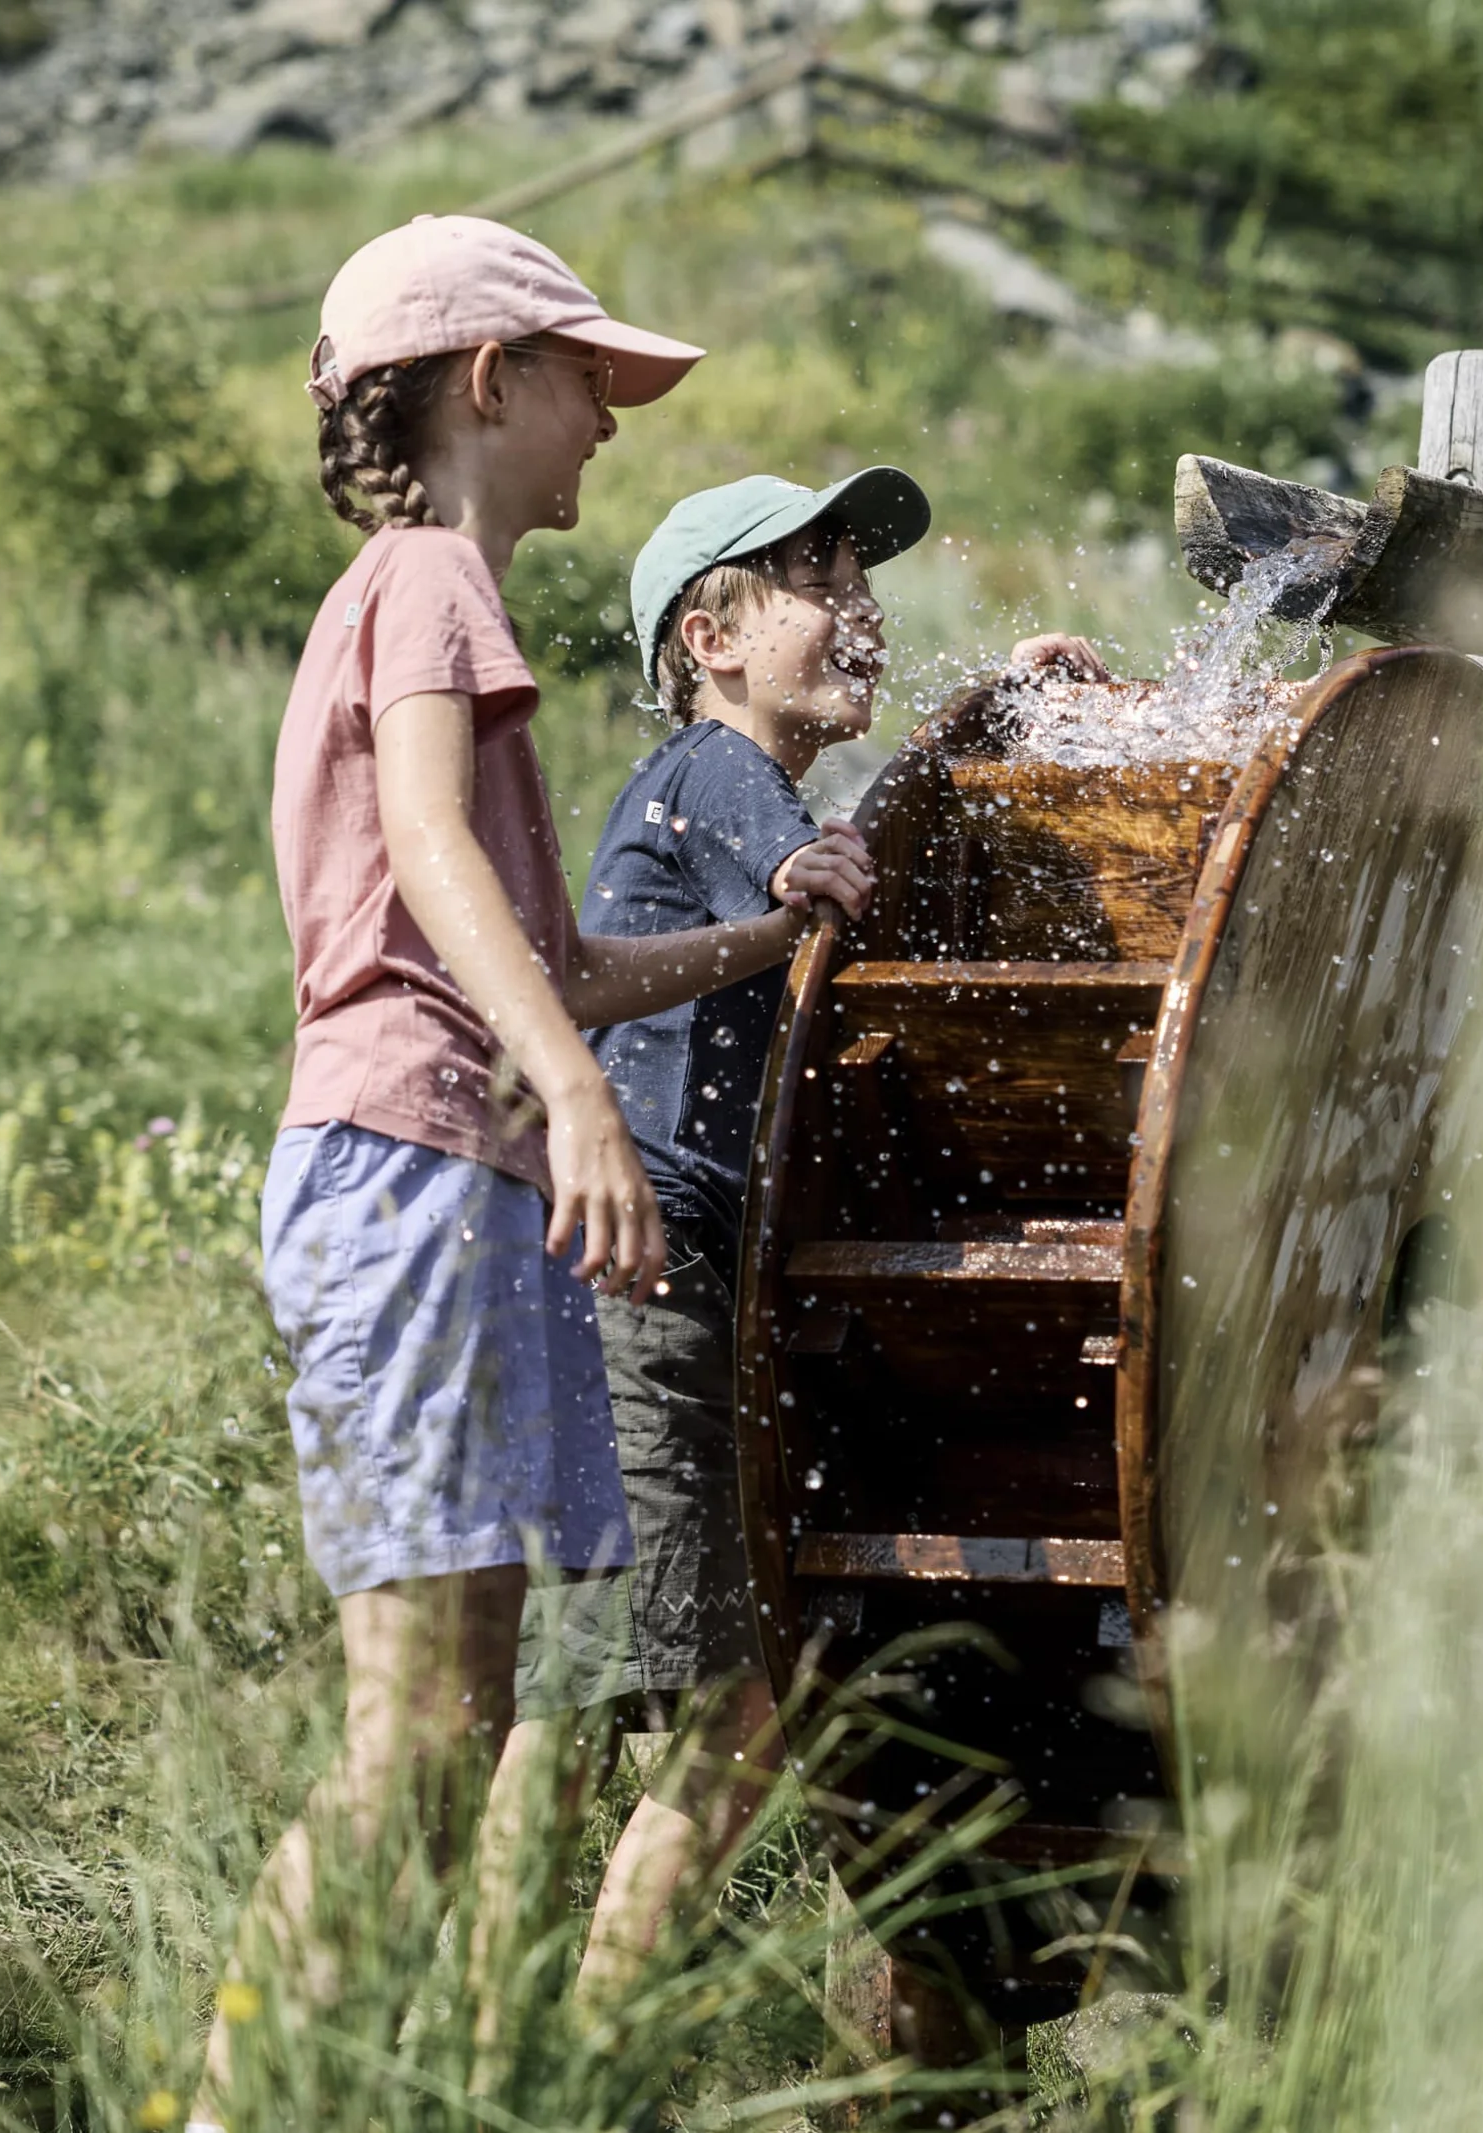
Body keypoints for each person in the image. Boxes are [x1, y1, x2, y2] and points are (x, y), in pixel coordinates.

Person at [189, 220, 874, 2129]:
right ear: (488, 385)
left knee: (461, 1728)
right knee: (417, 1740)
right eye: (587, 382)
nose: (609, 424)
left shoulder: (427, 597)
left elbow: (558, 961)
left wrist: (765, 943)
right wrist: (574, 1096)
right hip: (418, 1166)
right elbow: (428, 848)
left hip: (455, 1183)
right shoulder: (428, 578)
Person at [490, 468, 1109, 2019]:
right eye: (819, 580)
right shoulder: (717, 770)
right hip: (655, 1290)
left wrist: (992, 707)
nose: (861, 606)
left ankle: (490, 2052)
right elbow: (818, 870)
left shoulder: (706, 789)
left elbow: (838, 854)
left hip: (618, 1288)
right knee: (719, 1717)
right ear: (709, 639)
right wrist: (837, 855)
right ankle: (564, 2063)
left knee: (581, 1705)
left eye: (862, 577)